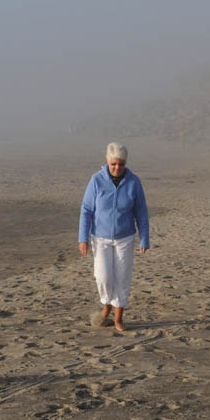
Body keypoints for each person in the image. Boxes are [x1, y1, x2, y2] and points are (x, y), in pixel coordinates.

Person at [78, 142, 149, 332]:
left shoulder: (134, 182)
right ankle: (106, 304)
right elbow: (86, 210)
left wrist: (144, 238)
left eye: (121, 164)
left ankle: (118, 318)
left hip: (125, 238)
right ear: (107, 162)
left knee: (122, 278)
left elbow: (141, 211)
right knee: (103, 277)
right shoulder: (96, 180)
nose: (117, 168)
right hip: (100, 238)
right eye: (113, 164)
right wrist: (82, 238)